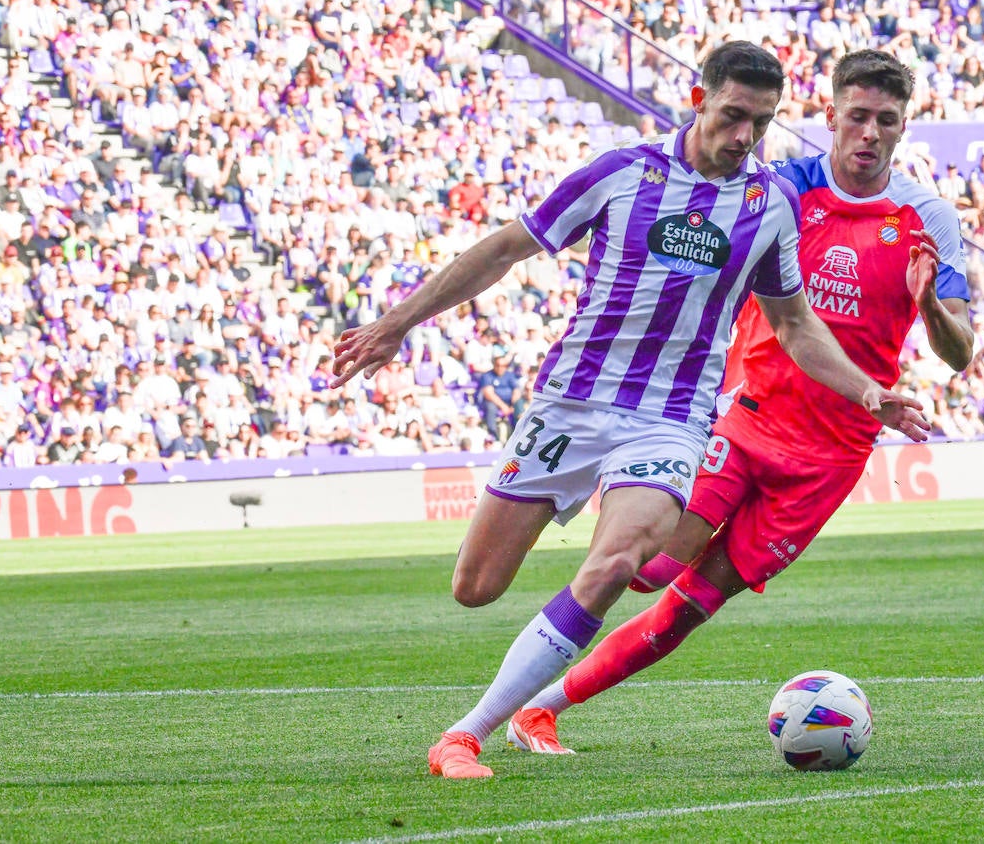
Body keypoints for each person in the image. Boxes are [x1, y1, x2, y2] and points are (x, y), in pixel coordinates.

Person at [328, 42, 930, 779]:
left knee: (619, 562)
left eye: (761, 124)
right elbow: (505, 248)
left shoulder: (767, 204)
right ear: (699, 97)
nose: (744, 137)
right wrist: (396, 324)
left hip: (669, 420)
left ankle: (466, 734)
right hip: (572, 405)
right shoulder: (622, 175)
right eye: (734, 116)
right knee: (475, 588)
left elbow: (797, 323)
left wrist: (869, 391)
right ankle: (525, 646)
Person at [499, 49, 974, 757]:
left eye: (887, 121)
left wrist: (929, 302)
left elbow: (961, 350)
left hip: (832, 457)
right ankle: (596, 514)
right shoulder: (777, 190)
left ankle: (538, 710)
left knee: (686, 611)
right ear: (831, 115)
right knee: (648, 570)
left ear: (905, 127)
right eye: (858, 117)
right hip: (748, 418)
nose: (870, 132)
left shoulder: (924, 217)